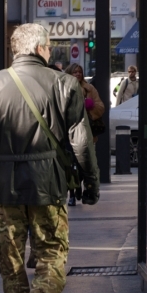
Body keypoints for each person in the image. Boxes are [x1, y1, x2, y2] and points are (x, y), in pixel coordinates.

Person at [0, 23, 99, 293]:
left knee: (11, 262)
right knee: (53, 252)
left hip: (4, 189)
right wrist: (91, 182)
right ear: (41, 48)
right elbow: (81, 141)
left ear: (16, 50)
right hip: (49, 185)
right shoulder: (65, 85)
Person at [64, 63, 105, 206]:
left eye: (79, 72)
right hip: (68, 133)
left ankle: (80, 187)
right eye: (75, 72)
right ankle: (72, 194)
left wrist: (91, 107)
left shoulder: (90, 89)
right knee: (70, 165)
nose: (77, 74)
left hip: (86, 132)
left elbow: (101, 107)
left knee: (83, 164)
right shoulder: (63, 88)